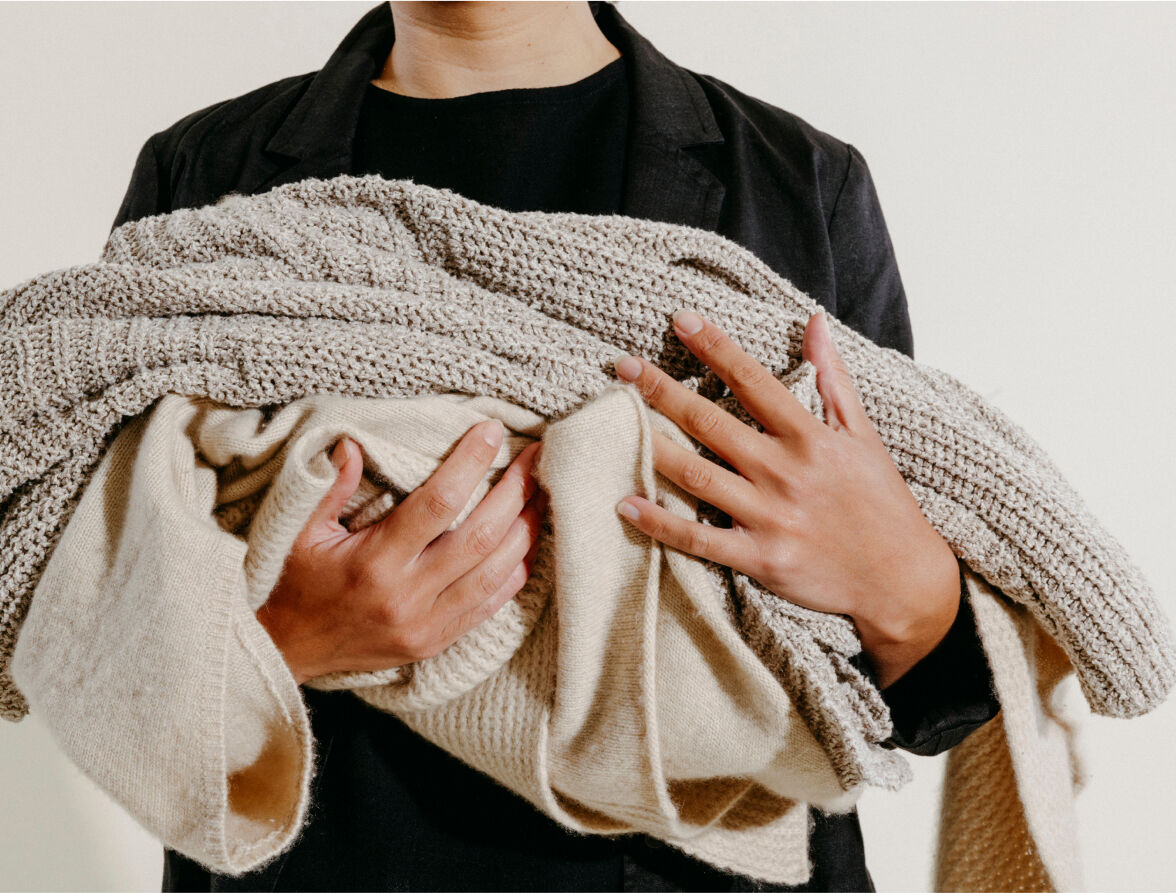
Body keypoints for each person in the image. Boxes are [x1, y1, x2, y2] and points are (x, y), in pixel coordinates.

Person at [111, 3, 1001, 890]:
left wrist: (909, 592)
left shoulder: (800, 184)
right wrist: (283, 638)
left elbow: (918, 705)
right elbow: (90, 630)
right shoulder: (201, 174)